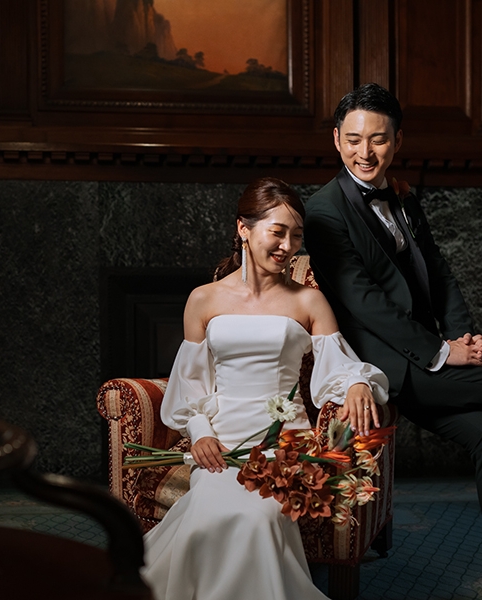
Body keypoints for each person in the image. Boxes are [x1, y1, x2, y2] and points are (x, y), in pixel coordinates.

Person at [141, 177, 389, 600]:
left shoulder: (308, 301)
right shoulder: (203, 299)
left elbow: (338, 365)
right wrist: (200, 433)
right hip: (221, 444)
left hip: (283, 447)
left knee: (256, 519)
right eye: (278, 232)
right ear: (243, 228)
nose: (288, 246)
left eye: (297, 236)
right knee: (207, 517)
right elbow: (190, 382)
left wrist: (357, 383)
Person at [304, 83, 482, 508]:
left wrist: (465, 340)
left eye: (378, 139)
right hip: (390, 364)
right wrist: (442, 351)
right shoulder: (324, 210)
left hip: (427, 352)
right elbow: (363, 301)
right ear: (336, 139)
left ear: (397, 140)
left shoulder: (402, 197)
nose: (364, 152)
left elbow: (438, 272)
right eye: (353, 140)